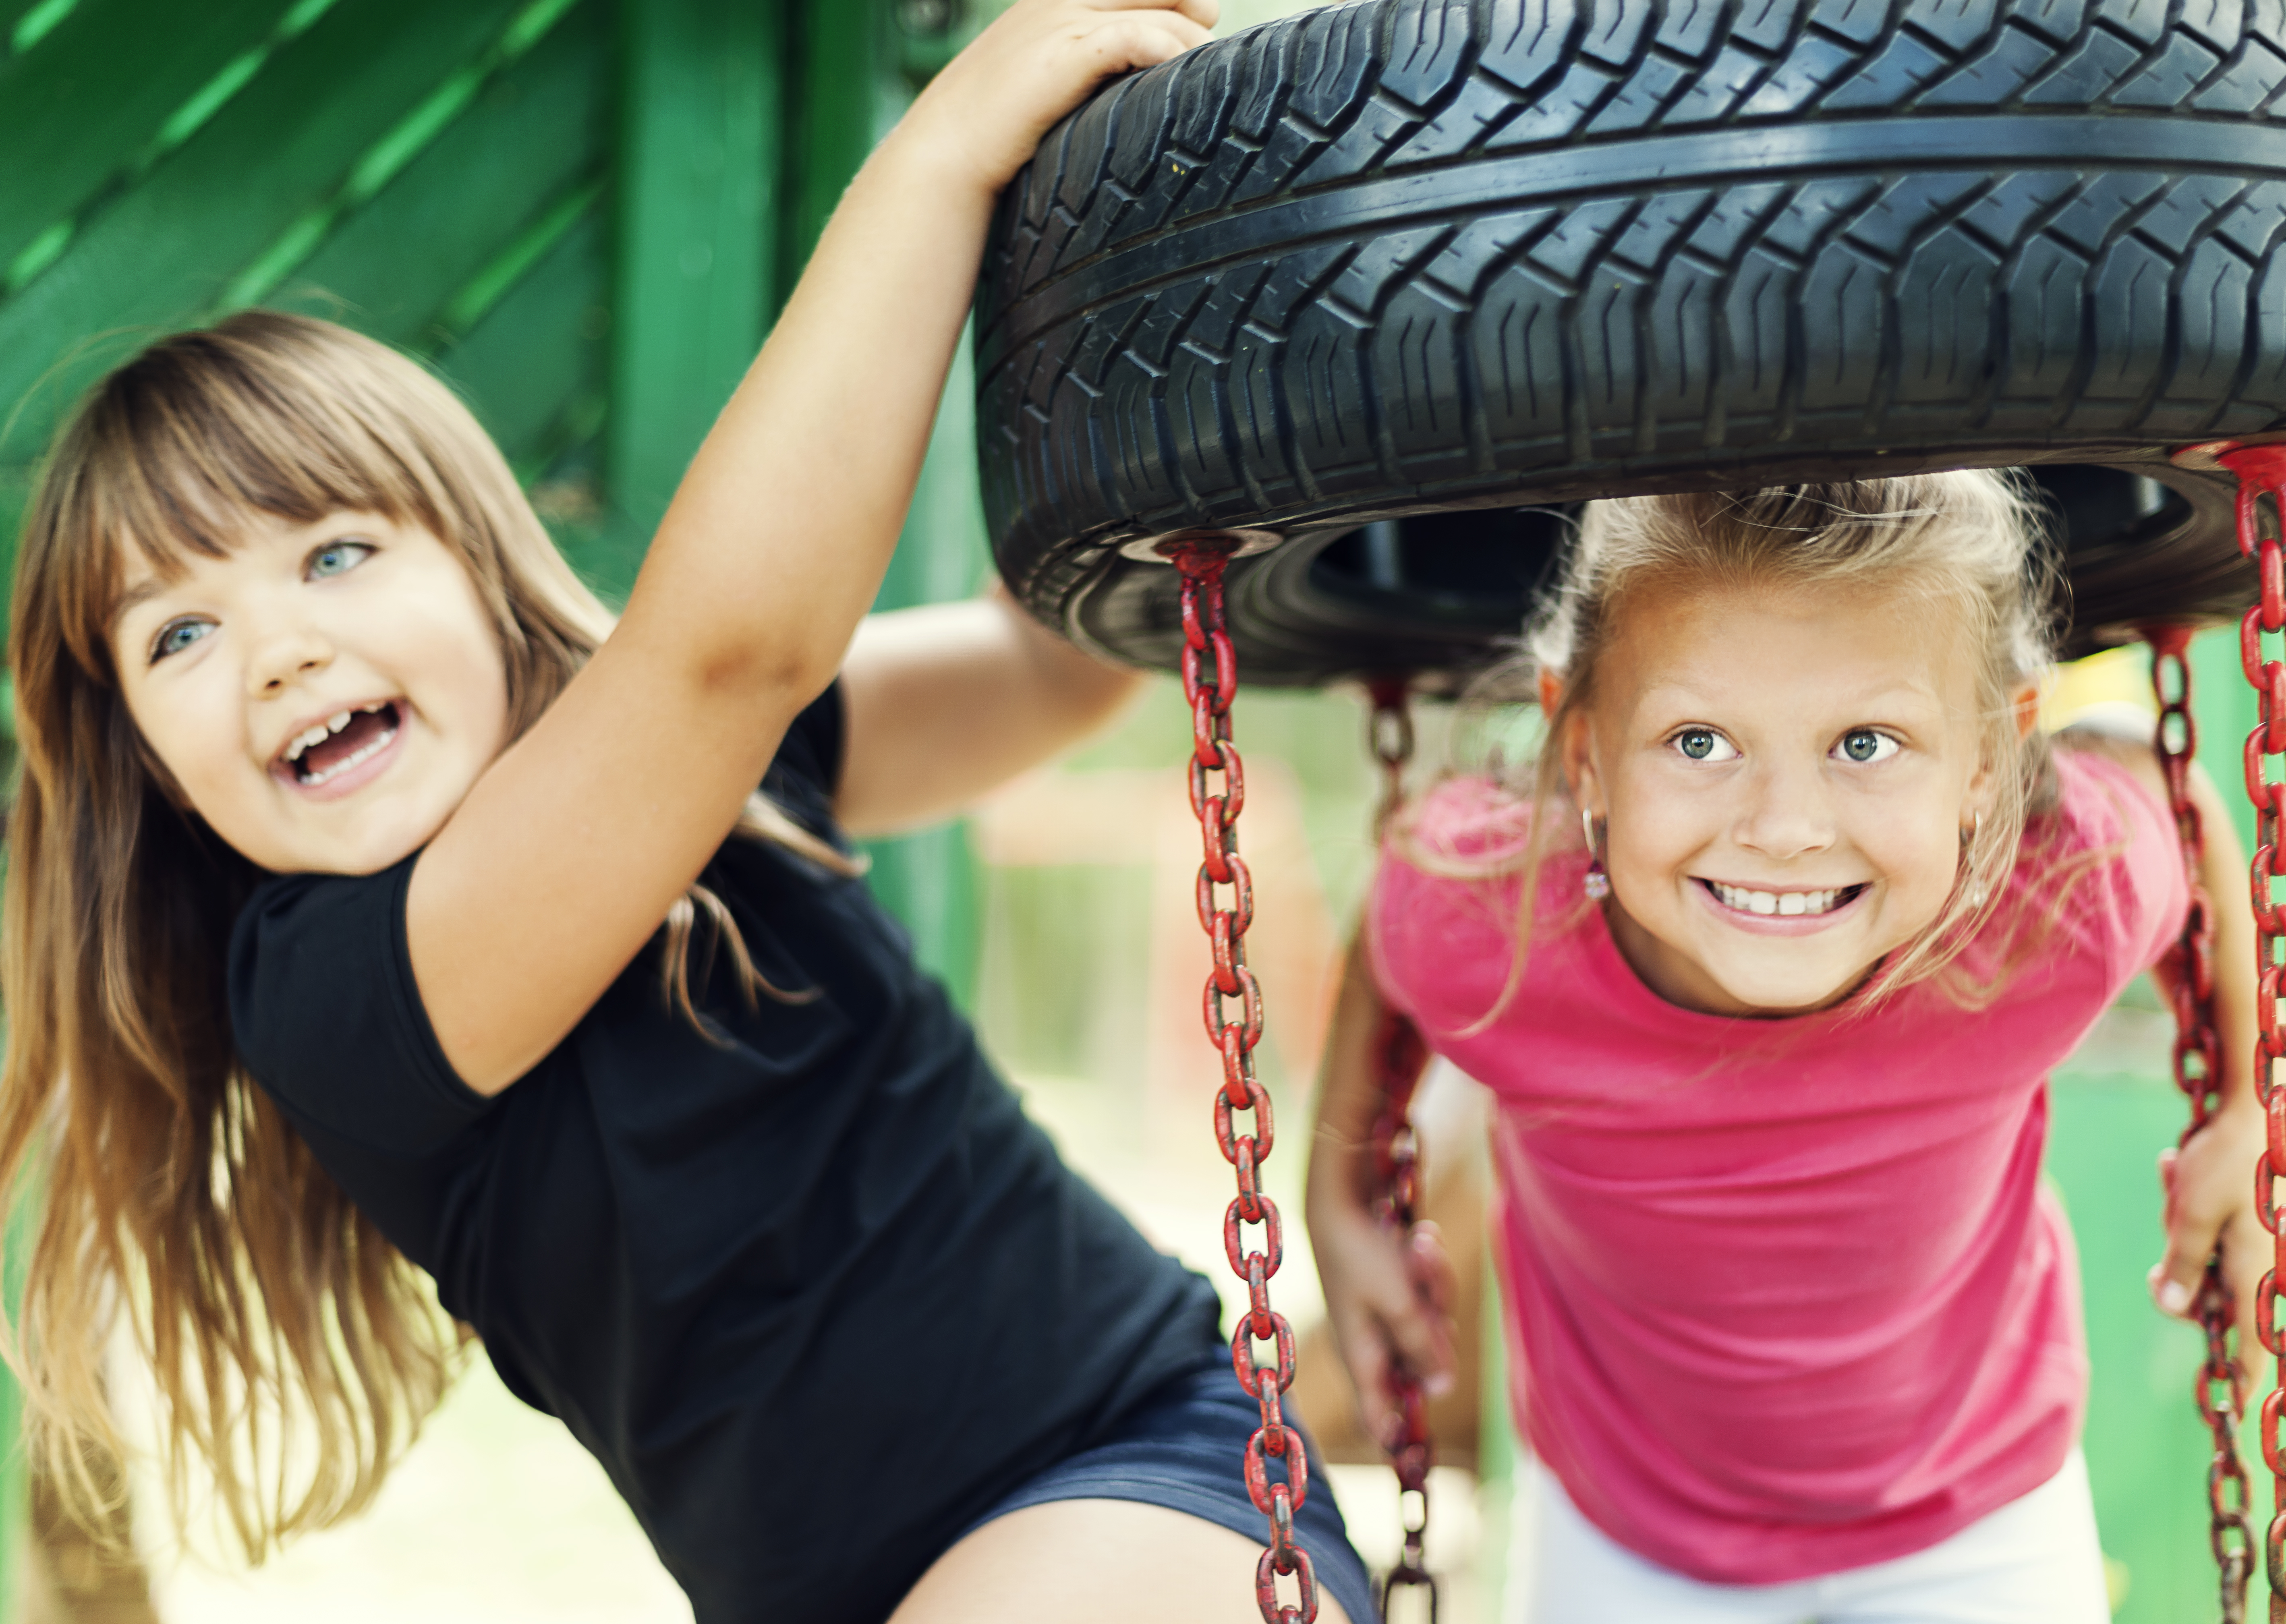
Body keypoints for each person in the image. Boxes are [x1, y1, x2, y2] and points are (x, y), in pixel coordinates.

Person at [0, 3, 1376, 1620]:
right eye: (178, 634)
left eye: (334, 554)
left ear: (479, 565)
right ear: (145, 762)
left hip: (1127, 1469)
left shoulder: (722, 757)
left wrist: (1213, 387)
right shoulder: (333, 992)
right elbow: (725, 653)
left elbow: (1056, 669)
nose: (282, 648)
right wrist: (938, 152)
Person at [1306, 474, 2273, 1622]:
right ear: (1588, 760)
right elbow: (1398, 924)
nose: (1784, 830)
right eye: (1699, 741)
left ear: (1984, 765)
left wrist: (2248, 1112)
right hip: (1627, 1528)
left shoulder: (2051, 904)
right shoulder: (1502, 928)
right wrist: (1340, 1194)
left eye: (1866, 742)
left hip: (1976, 1510)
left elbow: (2180, 805)